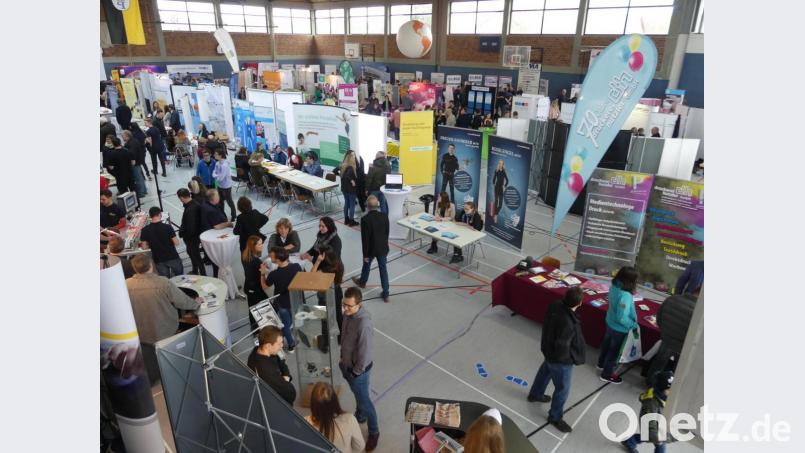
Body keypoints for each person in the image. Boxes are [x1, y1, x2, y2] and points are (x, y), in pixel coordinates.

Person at [126, 254, 201, 382]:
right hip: (165, 329)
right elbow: (182, 302)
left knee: (151, 361)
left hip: (142, 332)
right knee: (171, 359)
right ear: (151, 265)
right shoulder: (163, 282)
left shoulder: (126, 284)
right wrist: (196, 303)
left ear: (135, 268)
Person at [526, 287, 586, 433]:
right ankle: (555, 417)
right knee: (562, 389)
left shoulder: (555, 305)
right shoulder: (569, 323)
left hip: (548, 349)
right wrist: (568, 359)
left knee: (545, 371)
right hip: (560, 360)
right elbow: (563, 346)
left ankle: (535, 394)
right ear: (579, 303)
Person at [339, 287, 379, 451]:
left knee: (365, 401)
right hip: (347, 365)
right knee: (358, 394)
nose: (345, 308)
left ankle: (374, 432)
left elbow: (365, 353)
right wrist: (343, 359)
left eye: (349, 306)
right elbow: (345, 337)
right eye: (344, 304)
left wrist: (355, 372)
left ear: (359, 305)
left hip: (358, 372)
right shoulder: (348, 314)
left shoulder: (364, 324)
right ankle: (360, 415)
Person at [645, 280, 699, 386]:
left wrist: (665, 332)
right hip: (683, 346)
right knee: (677, 369)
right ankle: (667, 389)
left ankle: (650, 383)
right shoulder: (700, 312)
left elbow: (659, 319)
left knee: (658, 363)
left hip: (666, 339)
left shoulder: (672, 299)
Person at [597, 266, 639, 384]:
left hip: (610, 322)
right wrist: (632, 325)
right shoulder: (625, 295)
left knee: (606, 345)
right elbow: (622, 318)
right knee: (614, 352)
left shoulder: (615, 286)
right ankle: (606, 374)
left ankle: (601, 364)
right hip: (620, 329)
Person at [620, 371, 676, 453]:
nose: (672, 392)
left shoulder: (663, 396)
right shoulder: (652, 403)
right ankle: (630, 441)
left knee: (646, 437)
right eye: (669, 389)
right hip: (650, 424)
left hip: (658, 421)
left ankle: (630, 441)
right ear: (661, 388)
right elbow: (651, 426)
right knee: (657, 442)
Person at [261, 247, 302, 352]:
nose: (270, 257)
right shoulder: (296, 267)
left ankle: (291, 344)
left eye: (272, 256)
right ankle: (286, 338)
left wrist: (262, 273)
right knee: (290, 321)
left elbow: (264, 286)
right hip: (295, 300)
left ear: (278, 260)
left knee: (285, 325)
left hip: (282, 303)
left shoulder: (274, 274)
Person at [351, 196, 390, 303]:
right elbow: (387, 232)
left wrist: (365, 255)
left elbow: (365, 239)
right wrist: (385, 246)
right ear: (377, 205)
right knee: (383, 270)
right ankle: (386, 293)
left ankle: (362, 282)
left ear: (367, 206)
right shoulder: (384, 216)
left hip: (371, 249)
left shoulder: (365, 219)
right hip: (382, 248)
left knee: (366, 265)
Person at [306, 382, 365, 453]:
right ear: (335, 401)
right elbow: (359, 446)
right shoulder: (349, 419)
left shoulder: (305, 422)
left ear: (313, 404)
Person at [247, 326, 296, 405]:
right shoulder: (266, 370)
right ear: (268, 346)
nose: (282, 346)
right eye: (279, 344)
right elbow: (290, 393)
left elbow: (282, 363)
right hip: (276, 403)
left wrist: (287, 376)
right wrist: (286, 380)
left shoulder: (259, 351)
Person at [139, 207, 183, 278]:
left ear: (150, 216)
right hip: (172, 257)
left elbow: (144, 247)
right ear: (160, 214)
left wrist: (152, 244)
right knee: (180, 277)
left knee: (165, 280)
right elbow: (176, 243)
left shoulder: (144, 230)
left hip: (158, 259)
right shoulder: (168, 227)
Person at [311, 245, 345, 334]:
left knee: (324, 318)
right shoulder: (339, 264)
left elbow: (311, 276)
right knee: (338, 315)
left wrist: (318, 261)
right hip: (337, 292)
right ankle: (342, 335)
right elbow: (342, 279)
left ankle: (325, 339)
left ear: (323, 256)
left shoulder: (325, 270)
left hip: (324, 296)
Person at [242, 235, 269, 332]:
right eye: (259, 244)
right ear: (253, 246)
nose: (262, 246)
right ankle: (260, 328)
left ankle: (254, 328)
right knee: (264, 306)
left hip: (248, 286)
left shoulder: (245, 255)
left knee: (252, 307)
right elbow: (262, 277)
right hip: (255, 289)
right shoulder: (256, 261)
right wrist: (263, 271)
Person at [177, 188, 205, 276]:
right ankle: (195, 270)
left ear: (181, 198)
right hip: (194, 236)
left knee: (196, 256)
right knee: (192, 254)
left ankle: (203, 274)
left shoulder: (190, 209)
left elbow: (191, 227)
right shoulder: (194, 204)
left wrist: (185, 235)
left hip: (192, 238)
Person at [212, 149, 237, 221]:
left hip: (226, 186)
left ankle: (234, 215)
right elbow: (214, 172)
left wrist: (216, 176)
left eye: (216, 154)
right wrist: (216, 175)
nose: (214, 155)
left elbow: (220, 178)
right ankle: (222, 215)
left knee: (229, 201)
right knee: (220, 201)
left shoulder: (224, 165)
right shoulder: (217, 163)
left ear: (220, 155)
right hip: (220, 186)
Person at [365, 151, 390, 215]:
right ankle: (385, 218)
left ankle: (372, 218)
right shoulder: (388, 165)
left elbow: (369, 178)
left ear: (377, 157)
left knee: (372, 206)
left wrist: (366, 189)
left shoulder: (373, 166)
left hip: (374, 189)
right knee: (383, 205)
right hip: (383, 188)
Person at [339, 152, 359, 226]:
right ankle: (351, 221)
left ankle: (346, 219)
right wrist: (352, 181)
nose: (354, 157)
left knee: (346, 203)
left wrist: (340, 175)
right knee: (352, 205)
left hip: (344, 189)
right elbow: (348, 175)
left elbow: (334, 170)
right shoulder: (350, 167)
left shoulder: (343, 166)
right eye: (353, 156)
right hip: (351, 190)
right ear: (350, 158)